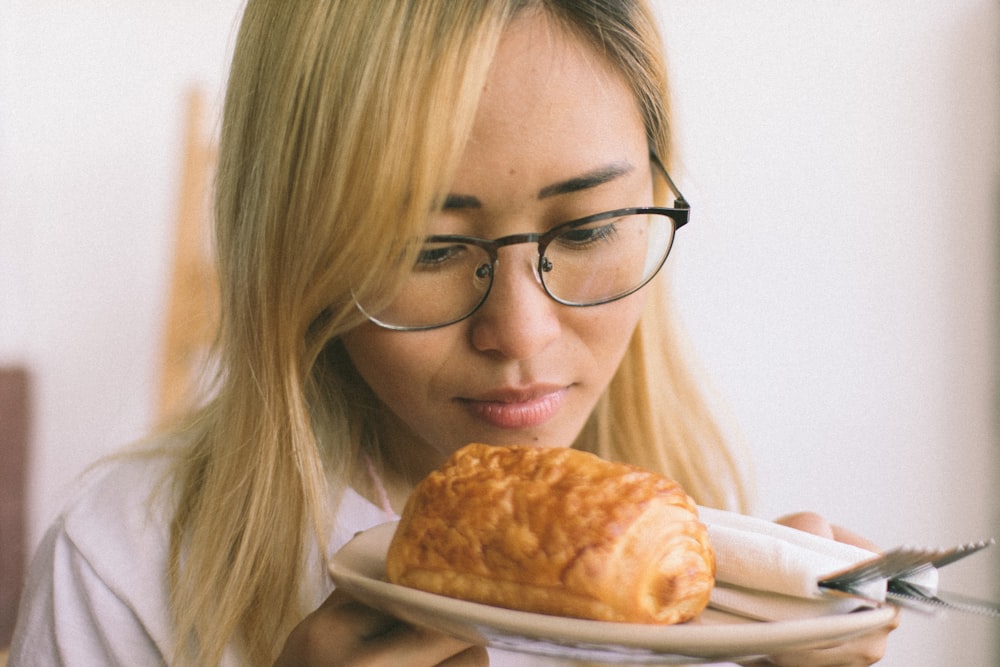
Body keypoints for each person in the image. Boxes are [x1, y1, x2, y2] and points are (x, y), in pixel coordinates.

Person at [10, 1, 899, 665]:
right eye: (429, 249)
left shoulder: (704, 574)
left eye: (586, 231)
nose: (519, 333)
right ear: (297, 258)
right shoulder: (124, 568)